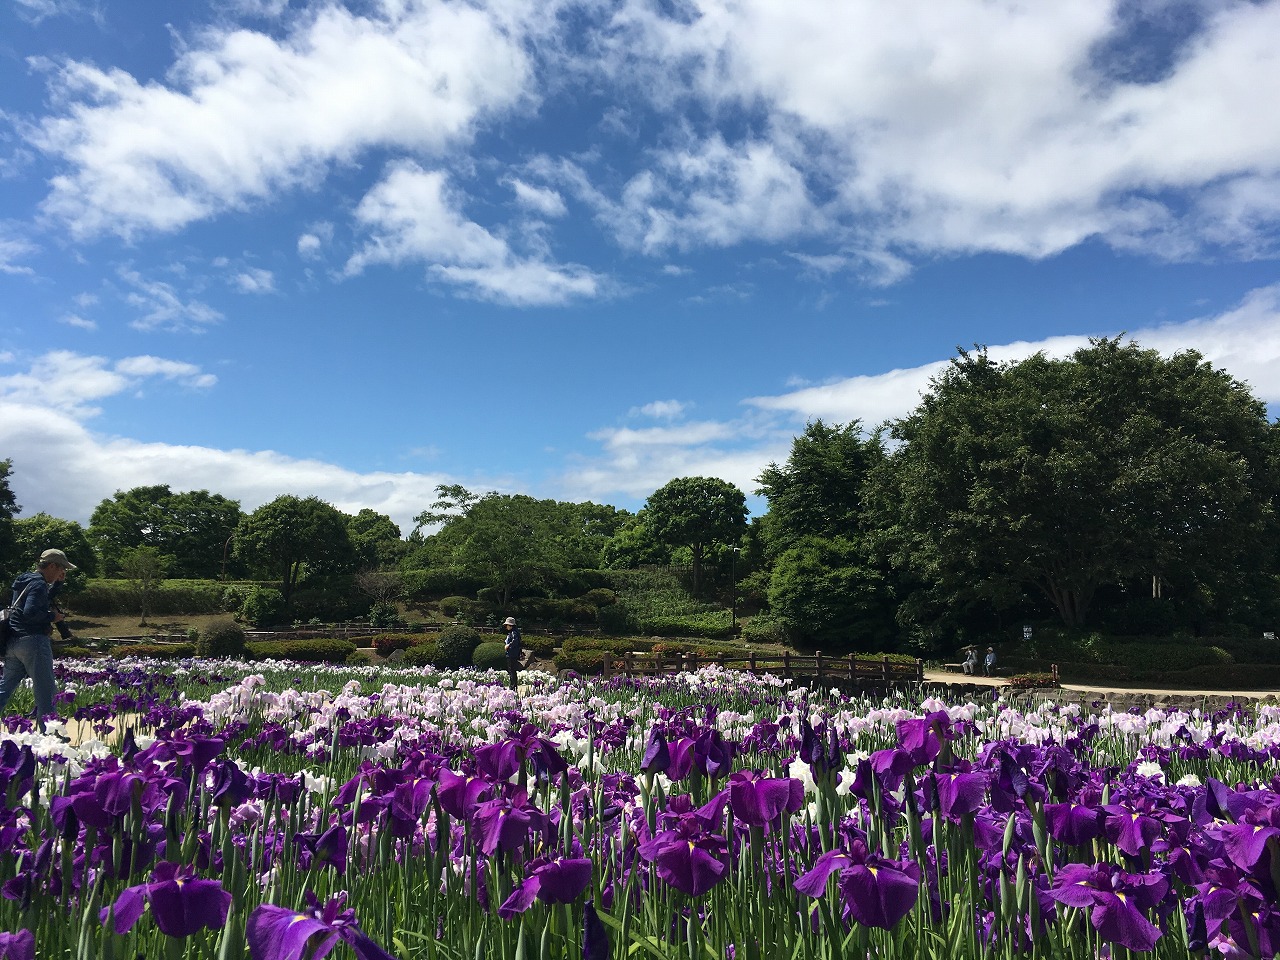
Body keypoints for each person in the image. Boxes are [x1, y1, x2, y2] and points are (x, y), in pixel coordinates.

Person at [0, 549, 77, 730]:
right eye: (61, 569)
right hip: (33, 642)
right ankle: (49, 734)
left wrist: (57, 585)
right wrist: (53, 617)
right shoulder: (39, 584)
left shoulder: (26, 580)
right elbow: (31, 611)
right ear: (52, 566)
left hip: (14, 642)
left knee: (4, 688)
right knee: (45, 690)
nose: (62, 573)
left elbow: (36, 602)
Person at [502, 616, 523, 690]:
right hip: (513, 653)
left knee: (511, 670)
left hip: (512, 654)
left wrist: (508, 645)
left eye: (507, 625)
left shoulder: (513, 632)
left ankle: (512, 686)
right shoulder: (514, 632)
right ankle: (513, 686)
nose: (506, 627)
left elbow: (515, 641)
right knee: (512, 670)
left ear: (510, 625)